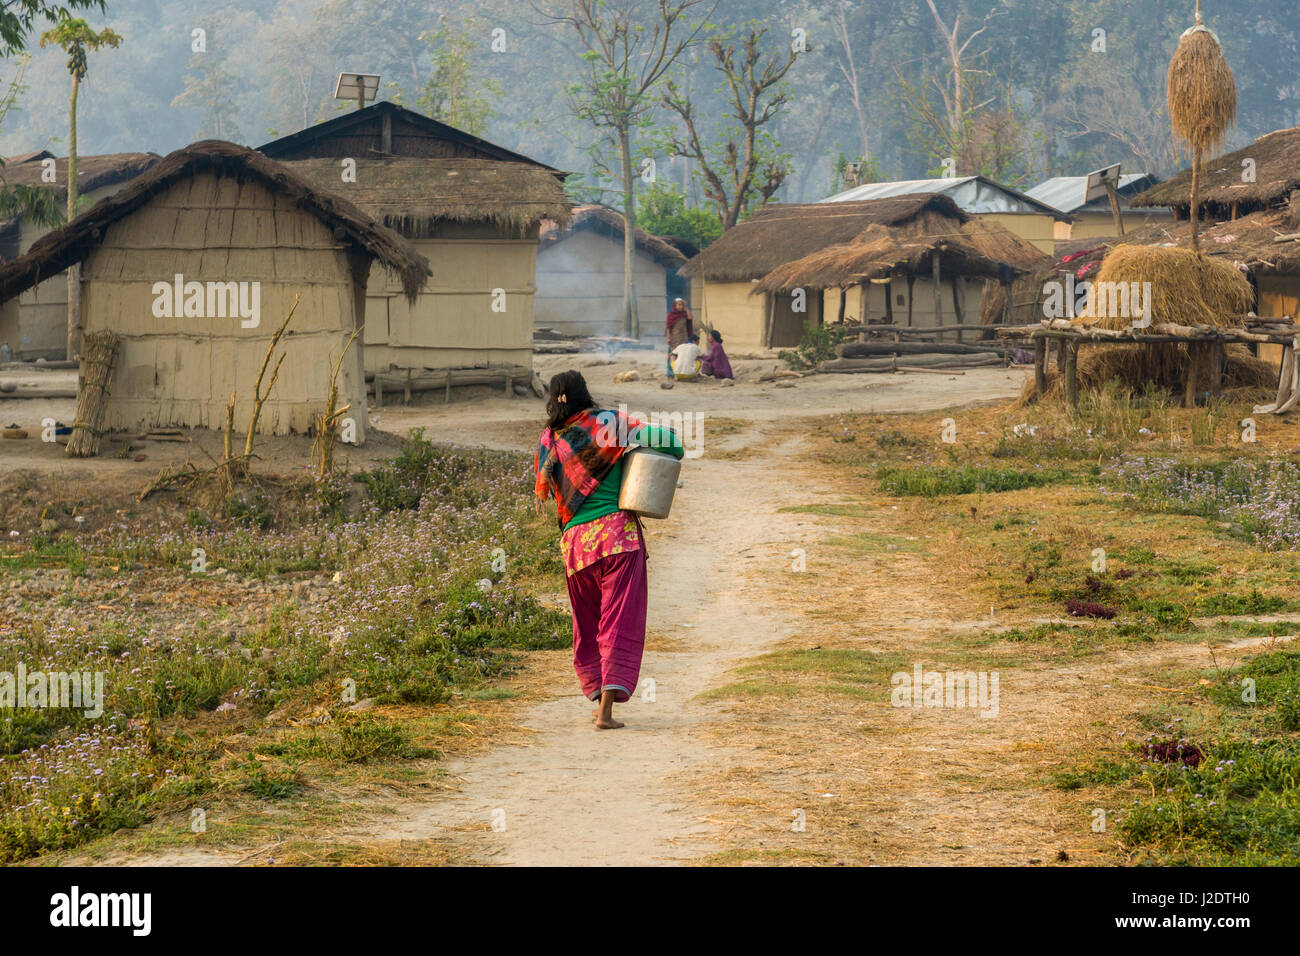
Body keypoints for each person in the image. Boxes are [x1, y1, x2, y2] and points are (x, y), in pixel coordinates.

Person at [534, 370, 684, 730]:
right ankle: (606, 712)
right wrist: (629, 452)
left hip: (575, 548)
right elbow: (672, 444)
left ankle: (597, 694)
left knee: (589, 624)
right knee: (618, 621)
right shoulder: (609, 424)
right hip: (617, 540)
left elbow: (546, 487)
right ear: (585, 393)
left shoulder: (548, 439)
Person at [665, 298, 693, 377]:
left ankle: (681, 372)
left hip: (684, 337)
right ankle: (671, 372)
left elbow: (690, 318)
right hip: (674, 338)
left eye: (682, 305)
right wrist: (669, 338)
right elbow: (668, 327)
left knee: (683, 355)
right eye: (679, 304)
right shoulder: (671, 315)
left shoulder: (684, 314)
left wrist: (686, 307)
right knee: (673, 355)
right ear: (675, 305)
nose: (681, 306)